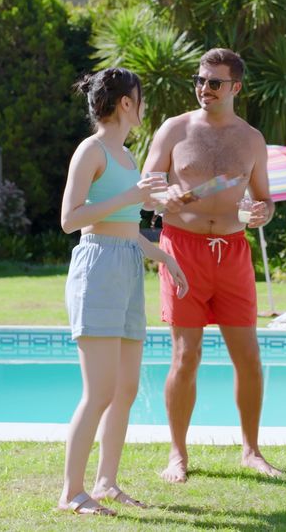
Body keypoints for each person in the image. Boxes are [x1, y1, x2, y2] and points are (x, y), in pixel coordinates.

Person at [142, 48, 280, 483]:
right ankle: (177, 455)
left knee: (249, 358)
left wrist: (263, 213)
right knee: (186, 355)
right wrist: (166, 198)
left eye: (214, 82)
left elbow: (264, 198)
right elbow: (146, 189)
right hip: (182, 249)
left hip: (234, 251)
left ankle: (252, 451)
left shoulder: (251, 139)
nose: (205, 89)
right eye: (200, 80)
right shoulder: (174, 129)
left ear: (235, 87)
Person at [57, 67, 189, 515]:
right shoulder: (90, 151)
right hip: (97, 268)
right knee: (99, 392)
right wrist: (131, 193)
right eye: (140, 96)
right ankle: (72, 492)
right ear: (126, 103)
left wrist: (165, 258)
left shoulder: (129, 157)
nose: (144, 103)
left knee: (126, 388)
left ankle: (106, 481)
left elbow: (129, 228)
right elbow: (71, 219)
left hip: (129, 265)